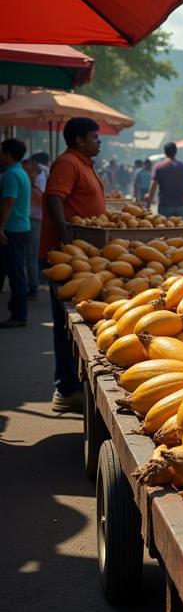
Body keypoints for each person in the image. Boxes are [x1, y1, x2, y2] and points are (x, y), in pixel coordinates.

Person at [41, 117, 106, 413]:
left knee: (71, 323)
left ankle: (69, 386)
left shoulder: (82, 162)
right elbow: (54, 197)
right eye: (95, 137)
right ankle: (65, 389)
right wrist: (66, 238)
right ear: (80, 139)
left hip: (82, 253)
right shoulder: (68, 162)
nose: (99, 141)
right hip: (68, 254)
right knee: (67, 324)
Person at [0, 138, 31, 328]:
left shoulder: (12, 174)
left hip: (12, 230)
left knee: (16, 274)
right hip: (19, 228)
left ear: (8, 154)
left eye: (1, 151)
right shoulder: (20, 171)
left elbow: (9, 201)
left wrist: (0, 227)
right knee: (13, 271)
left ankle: (19, 315)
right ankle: (17, 312)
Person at [146, 142, 183, 220]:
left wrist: (148, 205)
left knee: (166, 230)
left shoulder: (159, 167)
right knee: (181, 230)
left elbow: (153, 187)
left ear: (164, 152)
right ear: (176, 152)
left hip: (165, 206)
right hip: (180, 206)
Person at [22, 156, 46, 300]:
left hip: (33, 223)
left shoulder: (34, 191)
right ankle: (32, 286)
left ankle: (33, 288)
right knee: (30, 257)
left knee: (30, 257)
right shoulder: (35, 189)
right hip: (33, 222)